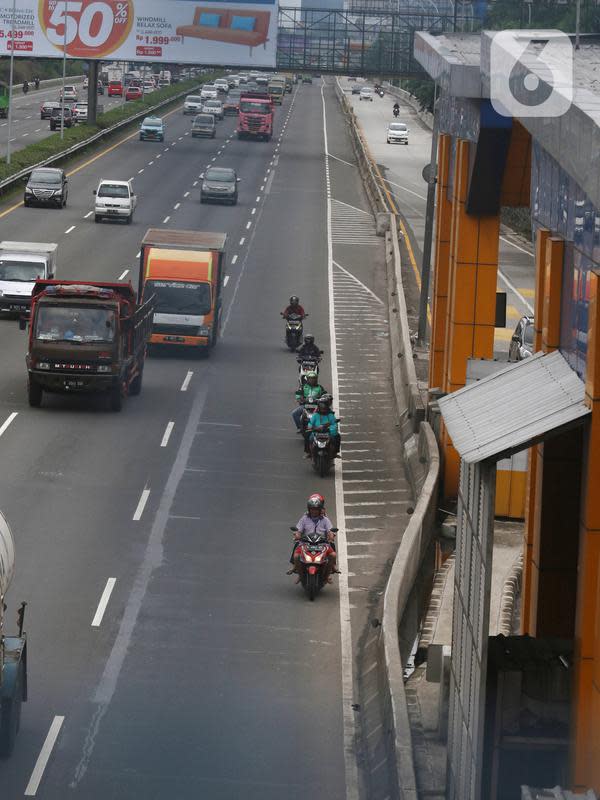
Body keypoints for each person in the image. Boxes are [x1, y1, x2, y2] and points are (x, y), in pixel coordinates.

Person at [287, 493, 339, 583]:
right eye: (312, 509)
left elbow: (330, 530)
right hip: (306, 543)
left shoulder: (325, 520)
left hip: (322, 543)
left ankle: (326, 576)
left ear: (320, 510)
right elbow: (298, 530)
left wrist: (331, 535)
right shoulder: (304, 519)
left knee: (333, 555)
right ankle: (300, 575)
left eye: (316, 509)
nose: (314, 511)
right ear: (309, 509)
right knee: (296, 556)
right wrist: (297, 535)